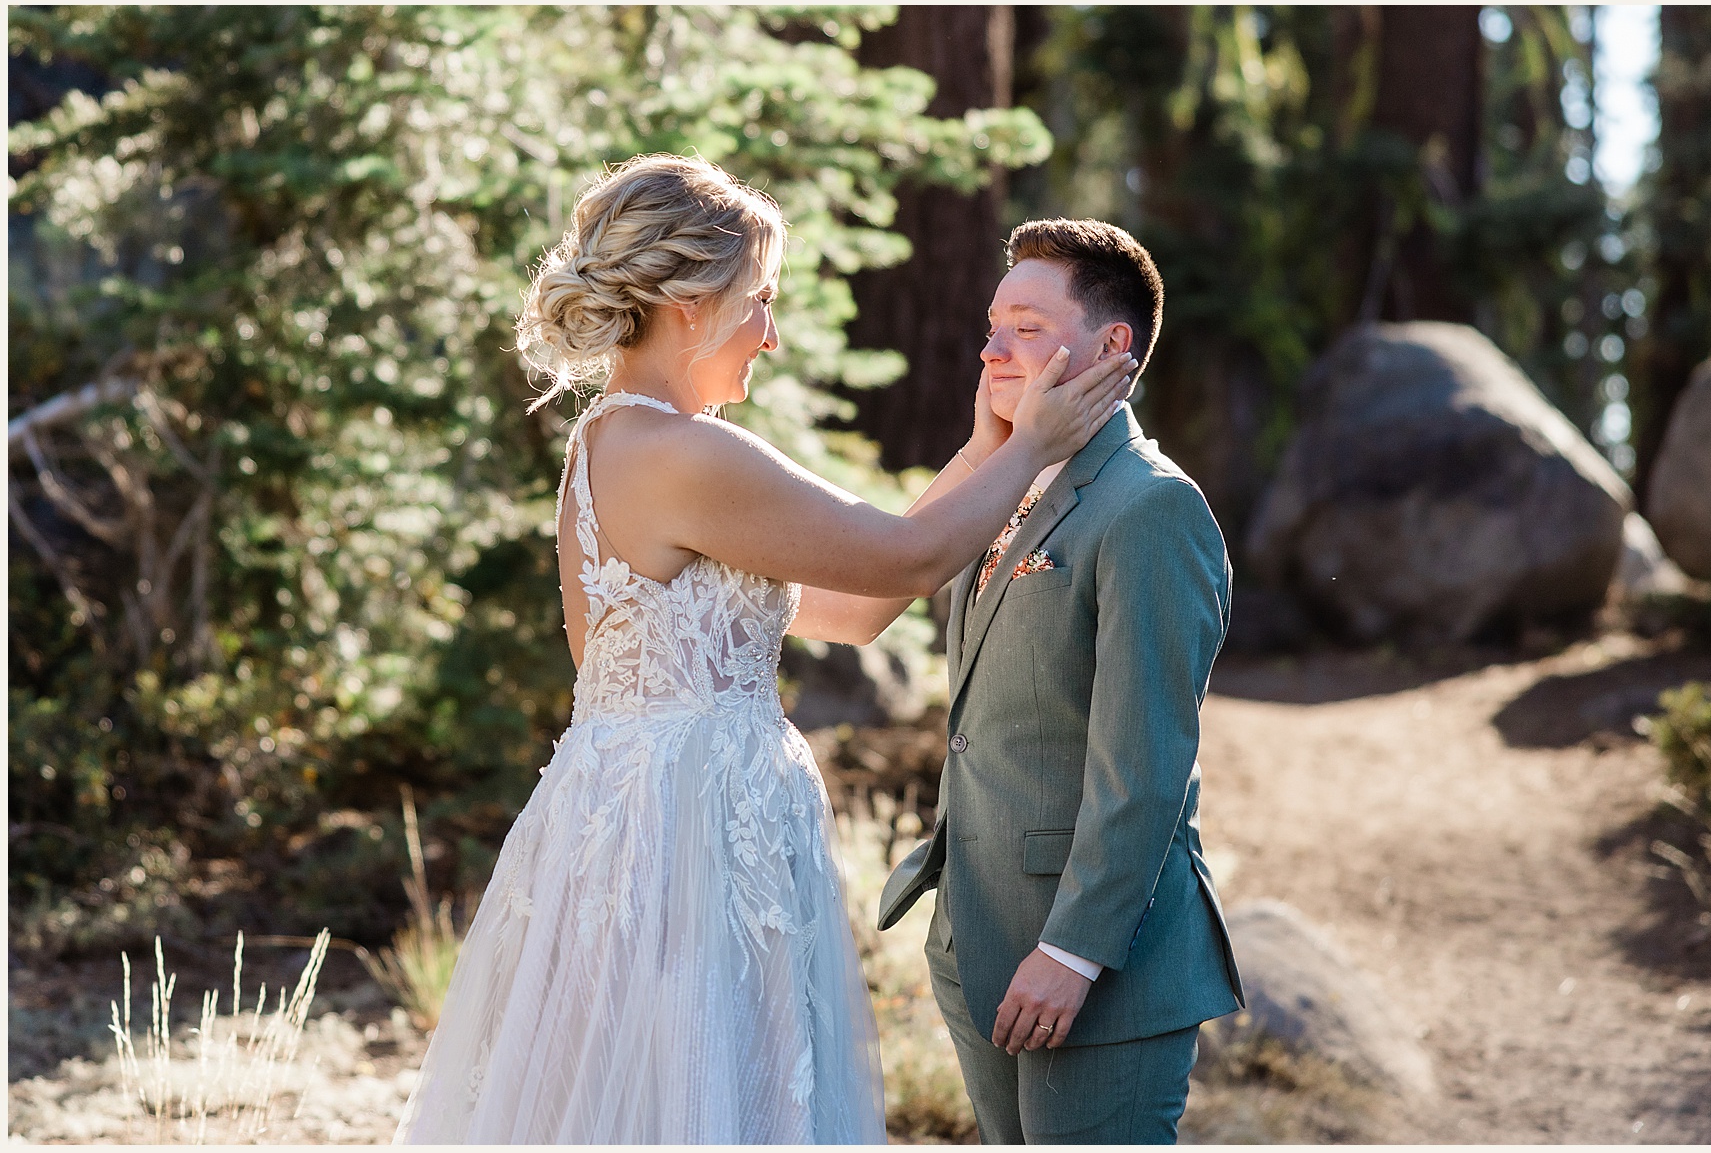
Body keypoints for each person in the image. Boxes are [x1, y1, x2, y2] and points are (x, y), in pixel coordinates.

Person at [395, 155, 1135, 1143]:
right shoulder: (683, 453)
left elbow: (859, 607)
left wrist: (979, 445)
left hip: (645, 813)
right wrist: (1031, 446)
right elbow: (910, 558)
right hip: (684, 835)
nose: (771, 334)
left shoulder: (611, 443)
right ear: (694, 300)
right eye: (761, 301)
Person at [876, 218, 1243, 1144]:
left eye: (1028, 327)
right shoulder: (1011, 481)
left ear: (1111, 345)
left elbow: (1146, 764)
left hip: (1092, 966)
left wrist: (1073, 952)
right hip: (977, 938)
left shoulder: (1152, 508)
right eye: (994, 323)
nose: (994, 347)